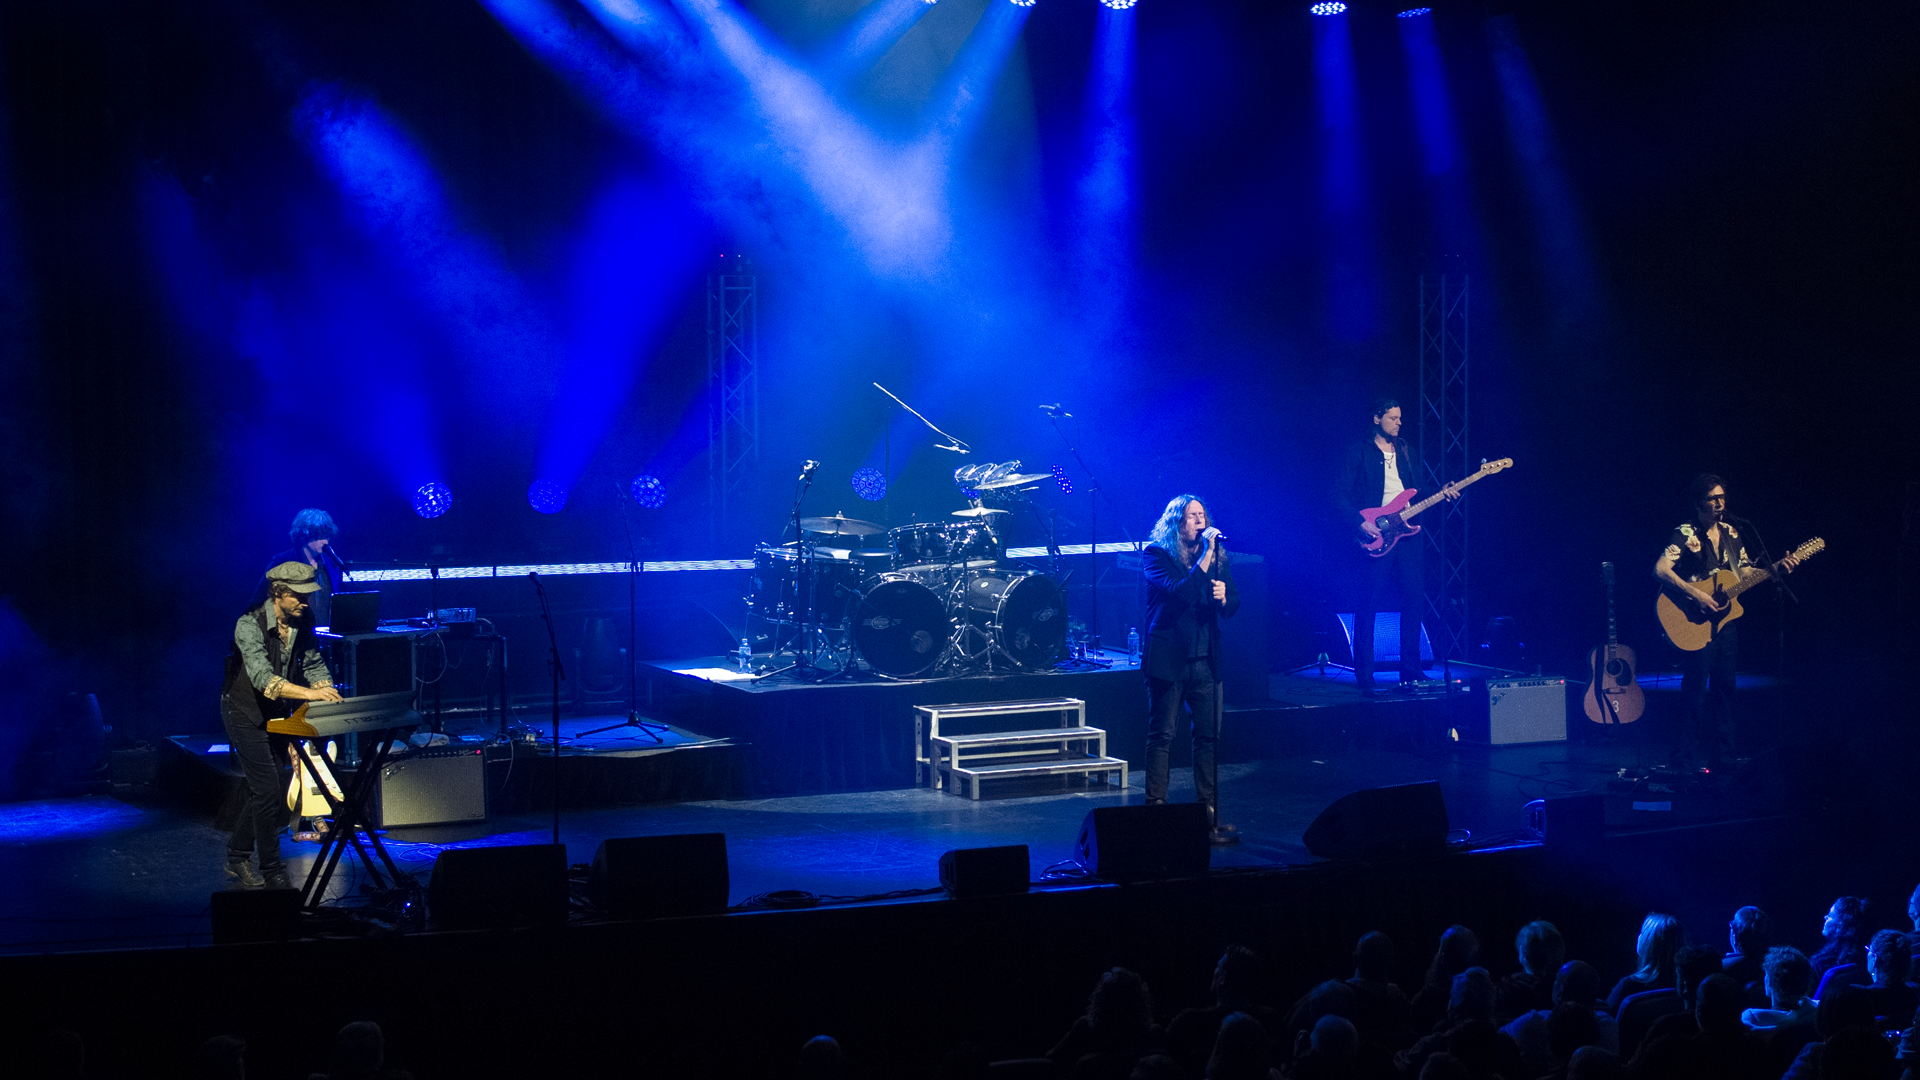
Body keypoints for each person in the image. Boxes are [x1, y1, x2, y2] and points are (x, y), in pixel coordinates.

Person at [1652, 474, 1799, 771]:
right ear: (1699, 503)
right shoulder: (1686, 532)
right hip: (1693, 620)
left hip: (1725, 623)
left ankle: (1724, 758)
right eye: (1713, 498)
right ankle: (1683, 759)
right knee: (1695, 692)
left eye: (1722, 497)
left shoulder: (1732, 532)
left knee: (1726, 690)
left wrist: (1776, 569)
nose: (1720, 503)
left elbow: (1743, 574)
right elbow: (1661, 569)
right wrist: (1697, 594)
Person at [221, 561, 341, 889]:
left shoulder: (304, 620)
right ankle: (272, 868)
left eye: (308, 596)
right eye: (299, 596)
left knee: (266, 787)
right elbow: (264, 680)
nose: (306, 602)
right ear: (277, 592)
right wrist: (310, 694)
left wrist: (326, 689)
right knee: (267, 789)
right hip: (244, 712)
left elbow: (313, 664)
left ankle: (236, 856)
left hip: (275, 712)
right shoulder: (249, 624)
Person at [1333, 399, 1453, 695]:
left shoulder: (1406, 450)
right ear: (1377, 419)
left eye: (1400, 418)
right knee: (1369, 602)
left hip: (1407, 535)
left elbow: (1417, 490)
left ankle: (1411, 670)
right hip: (1376, 531)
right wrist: (1360, 522)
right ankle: (1365, 673)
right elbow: (1339, 495)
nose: (1399, 422)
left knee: (1413, 599)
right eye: (1393, 417)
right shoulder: (1359, 452)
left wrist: (1442, 491)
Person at [1142, 494, 1240, 844]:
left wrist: (1224, 598)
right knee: (1163, 735)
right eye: (1192, 516)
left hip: (1206, 661)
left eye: (1202, 515)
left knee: (1209, 738)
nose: (1200, 521)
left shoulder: (1216, 557)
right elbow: (1180, 593)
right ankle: (1156, 809)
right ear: (1177, 522)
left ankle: (1207, 811)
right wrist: (1207, 556)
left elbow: (1233, 603)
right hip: (1168, 660)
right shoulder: (1156, 554)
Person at [249, 508, 344, 628]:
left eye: (327, 536)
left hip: (324, 636)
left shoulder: (331, 565)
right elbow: (258, 600)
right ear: (304, 536)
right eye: (319, 536)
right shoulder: (282, 561)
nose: (325, 542)